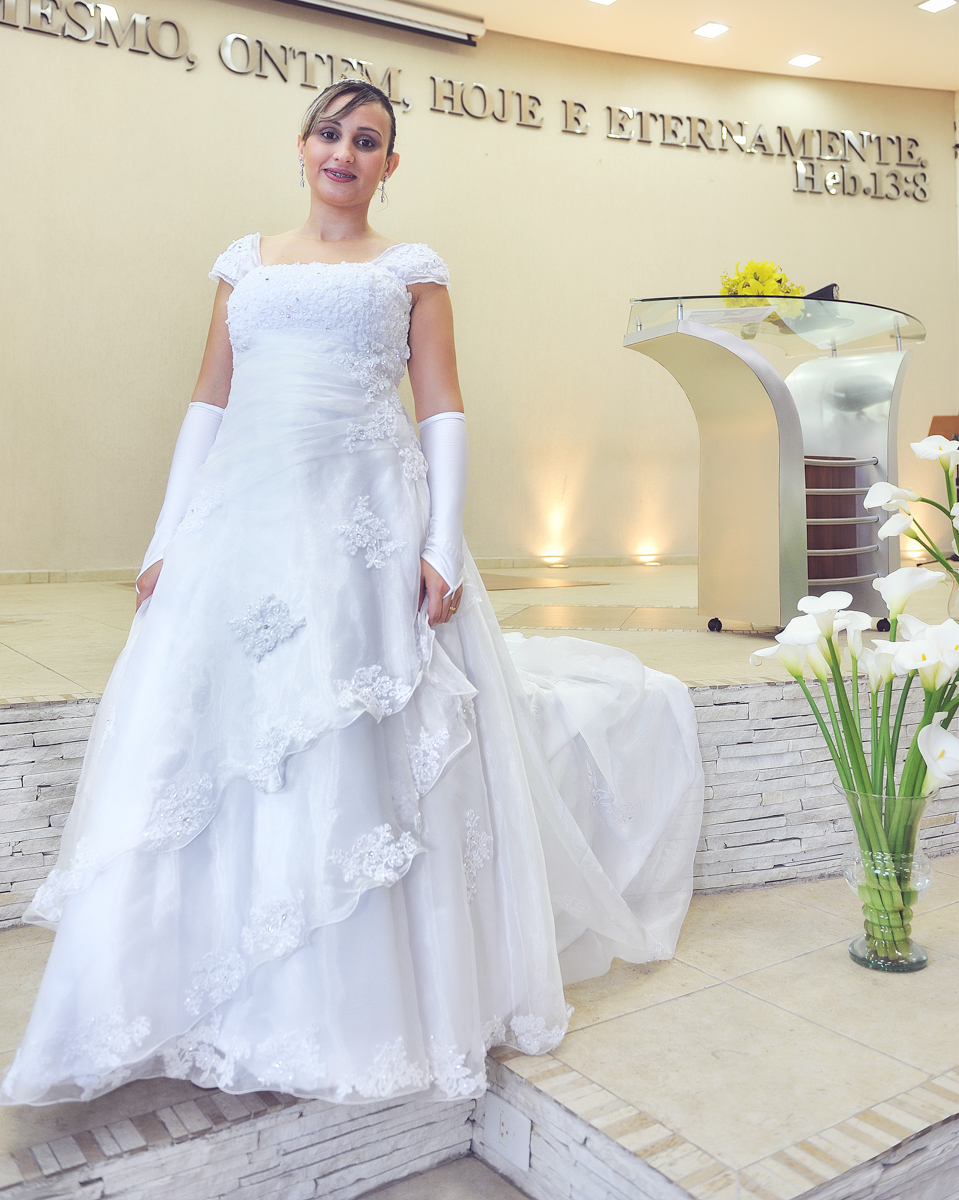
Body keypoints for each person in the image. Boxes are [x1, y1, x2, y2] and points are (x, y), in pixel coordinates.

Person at [1, 81, 703, 1107]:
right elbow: (209, 398)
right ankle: (186, 984)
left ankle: (348, 999)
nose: (344, 151)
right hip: (243, 520)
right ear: (301, 146)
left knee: (348, 734)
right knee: (223, 739)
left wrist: (439, 543)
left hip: (364, 519)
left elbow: (442, 406)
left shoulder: (410, 270)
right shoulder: (242, 263)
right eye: (329, 133)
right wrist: (165, 539)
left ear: (389, 165)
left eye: (366, 140)